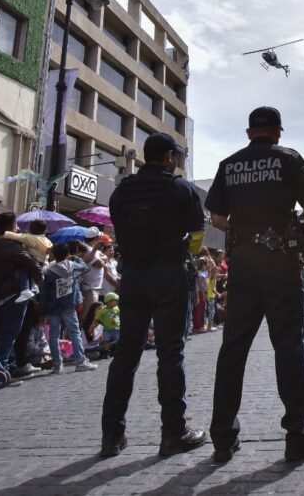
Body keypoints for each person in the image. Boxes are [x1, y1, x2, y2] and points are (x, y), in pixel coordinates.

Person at [205, 107, 304, 463]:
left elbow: (216, 217)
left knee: (233, 349)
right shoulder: (289, 159)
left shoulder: (229, 164)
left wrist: (245, 232)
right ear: (278, 131)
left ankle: (223, 437)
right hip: (281, 262)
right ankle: (297, 435)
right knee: (289, 346)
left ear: (248, 133)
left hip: (243, 263)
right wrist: (294, 224)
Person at [100, 133, 206, 459]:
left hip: (133, 276)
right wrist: (183, 253)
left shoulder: (121, 192)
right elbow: (197, 234)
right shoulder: (180, 189)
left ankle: (112, 436)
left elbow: (119, 227)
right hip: (169, 274)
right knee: (170, 354)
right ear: (170, 158)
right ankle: (174, 432)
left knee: (126, 355)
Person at [0, 213, 43, 379]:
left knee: (7, 332)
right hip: (13, 292)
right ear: (11, 226)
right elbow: (30, 262)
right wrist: (40, 277)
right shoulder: (9, 245)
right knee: (10, 333)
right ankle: (0, 370)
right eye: (16, 225)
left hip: (1, 292)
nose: (18, 229)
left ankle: (6, 366)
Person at [38, 243, 97, 376]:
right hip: (69, 305)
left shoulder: (48, 271)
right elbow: (85, 266)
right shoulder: (73, 266)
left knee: (53, 335)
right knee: (75, 332)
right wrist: (74, 257)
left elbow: (43, 292)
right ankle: (80, 361)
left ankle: (57, 365)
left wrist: (42, 310)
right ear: (67, 254)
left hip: (53, 307)